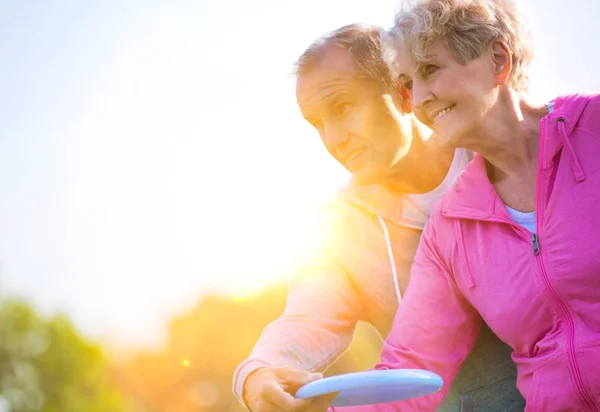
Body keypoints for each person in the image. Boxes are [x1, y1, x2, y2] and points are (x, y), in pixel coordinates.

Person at [233, 24, 524, 412]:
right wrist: (260, 370)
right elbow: (306, 317)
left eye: (344, 107)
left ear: (403, 90)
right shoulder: (338, 230)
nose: (334, 139)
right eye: (317, 124)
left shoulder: (500, 155)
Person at [327, 1, 600, 411]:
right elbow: (411, 365)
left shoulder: (592, 129)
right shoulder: (450, 227)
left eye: (431, 70)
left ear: (497, 60)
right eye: (408, 83)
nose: (420, 99)